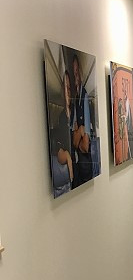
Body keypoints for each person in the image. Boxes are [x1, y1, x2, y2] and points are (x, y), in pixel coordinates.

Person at [50, 69, 74, 197]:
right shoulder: (61, 117)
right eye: (65, 88)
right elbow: (61, 144)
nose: (68, 92)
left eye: (69, 88)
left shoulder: (76, 111)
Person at [71, 53, 93, 186]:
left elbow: (85, 146)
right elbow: (74, 142)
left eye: (77, 71)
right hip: (78, 168)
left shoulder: (84, 97)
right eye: (74, 73)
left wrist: (78, 133)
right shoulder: (75, 100)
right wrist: (80, 131)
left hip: (86, 167)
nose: (76, 76)